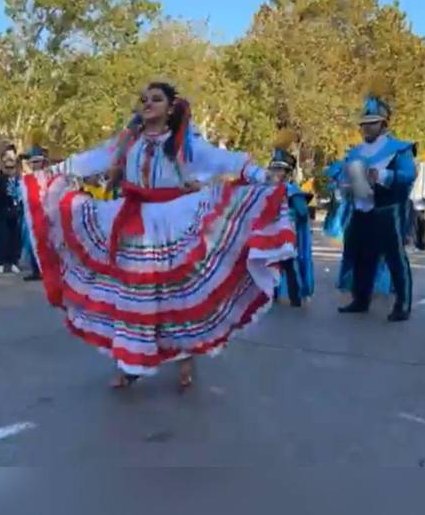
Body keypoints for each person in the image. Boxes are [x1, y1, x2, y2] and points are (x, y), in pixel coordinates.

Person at [22, 82, 295, 389]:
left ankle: (185, 353)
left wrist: (262, 176)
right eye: (144, 99)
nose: (148, 103)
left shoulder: (184, 144)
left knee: (174, 295)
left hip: (172, 223)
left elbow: (226, 160)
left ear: (170, 108)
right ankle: (129, 363)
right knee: (131, 295)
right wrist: (51, 173)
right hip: (130, 222)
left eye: (156, 99)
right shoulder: (127, 142)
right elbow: (92, 159)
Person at [337, 94, 416, 322]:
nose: (367, 128)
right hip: (361, 210)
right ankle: (361, 299)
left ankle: (403, 304)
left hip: (387, 210)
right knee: (361, 256)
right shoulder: (355, 152)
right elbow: (343, 177)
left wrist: (382, 175)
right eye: (364, 124)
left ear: (384, 124)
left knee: (395, 257)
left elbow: (408, 175)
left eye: (372, 123)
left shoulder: (399, 148)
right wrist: (344, 185)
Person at [269, 147, 314, 307]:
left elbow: (302, 213)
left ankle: (296, 297)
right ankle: (272, 295)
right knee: (271, 264)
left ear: (287, 173)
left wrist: (287, 213)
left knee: (289, 266)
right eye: (274, 168)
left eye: (279, 169)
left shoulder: (293, 191)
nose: (275, 172)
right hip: (271, 235)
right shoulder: (267, 189)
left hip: (289, 236)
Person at [0, 146, 23, 274]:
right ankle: (1, 262)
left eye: (12, 167)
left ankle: (13, 261)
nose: (9, 170)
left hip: (15, 211)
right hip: (1, 211)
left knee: (14, 236)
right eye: (7, 167)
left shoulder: (19, 180)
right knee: (2, 236)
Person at [21, 146, 49, 281]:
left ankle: (48, 269)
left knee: (47, 242)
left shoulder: (48, 176)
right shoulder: (26, 179)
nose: (36, 164)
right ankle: (36, 269)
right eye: (33, 162)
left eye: (38, 161)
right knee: (32, 241)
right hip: (32, 213)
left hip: (46, 213)